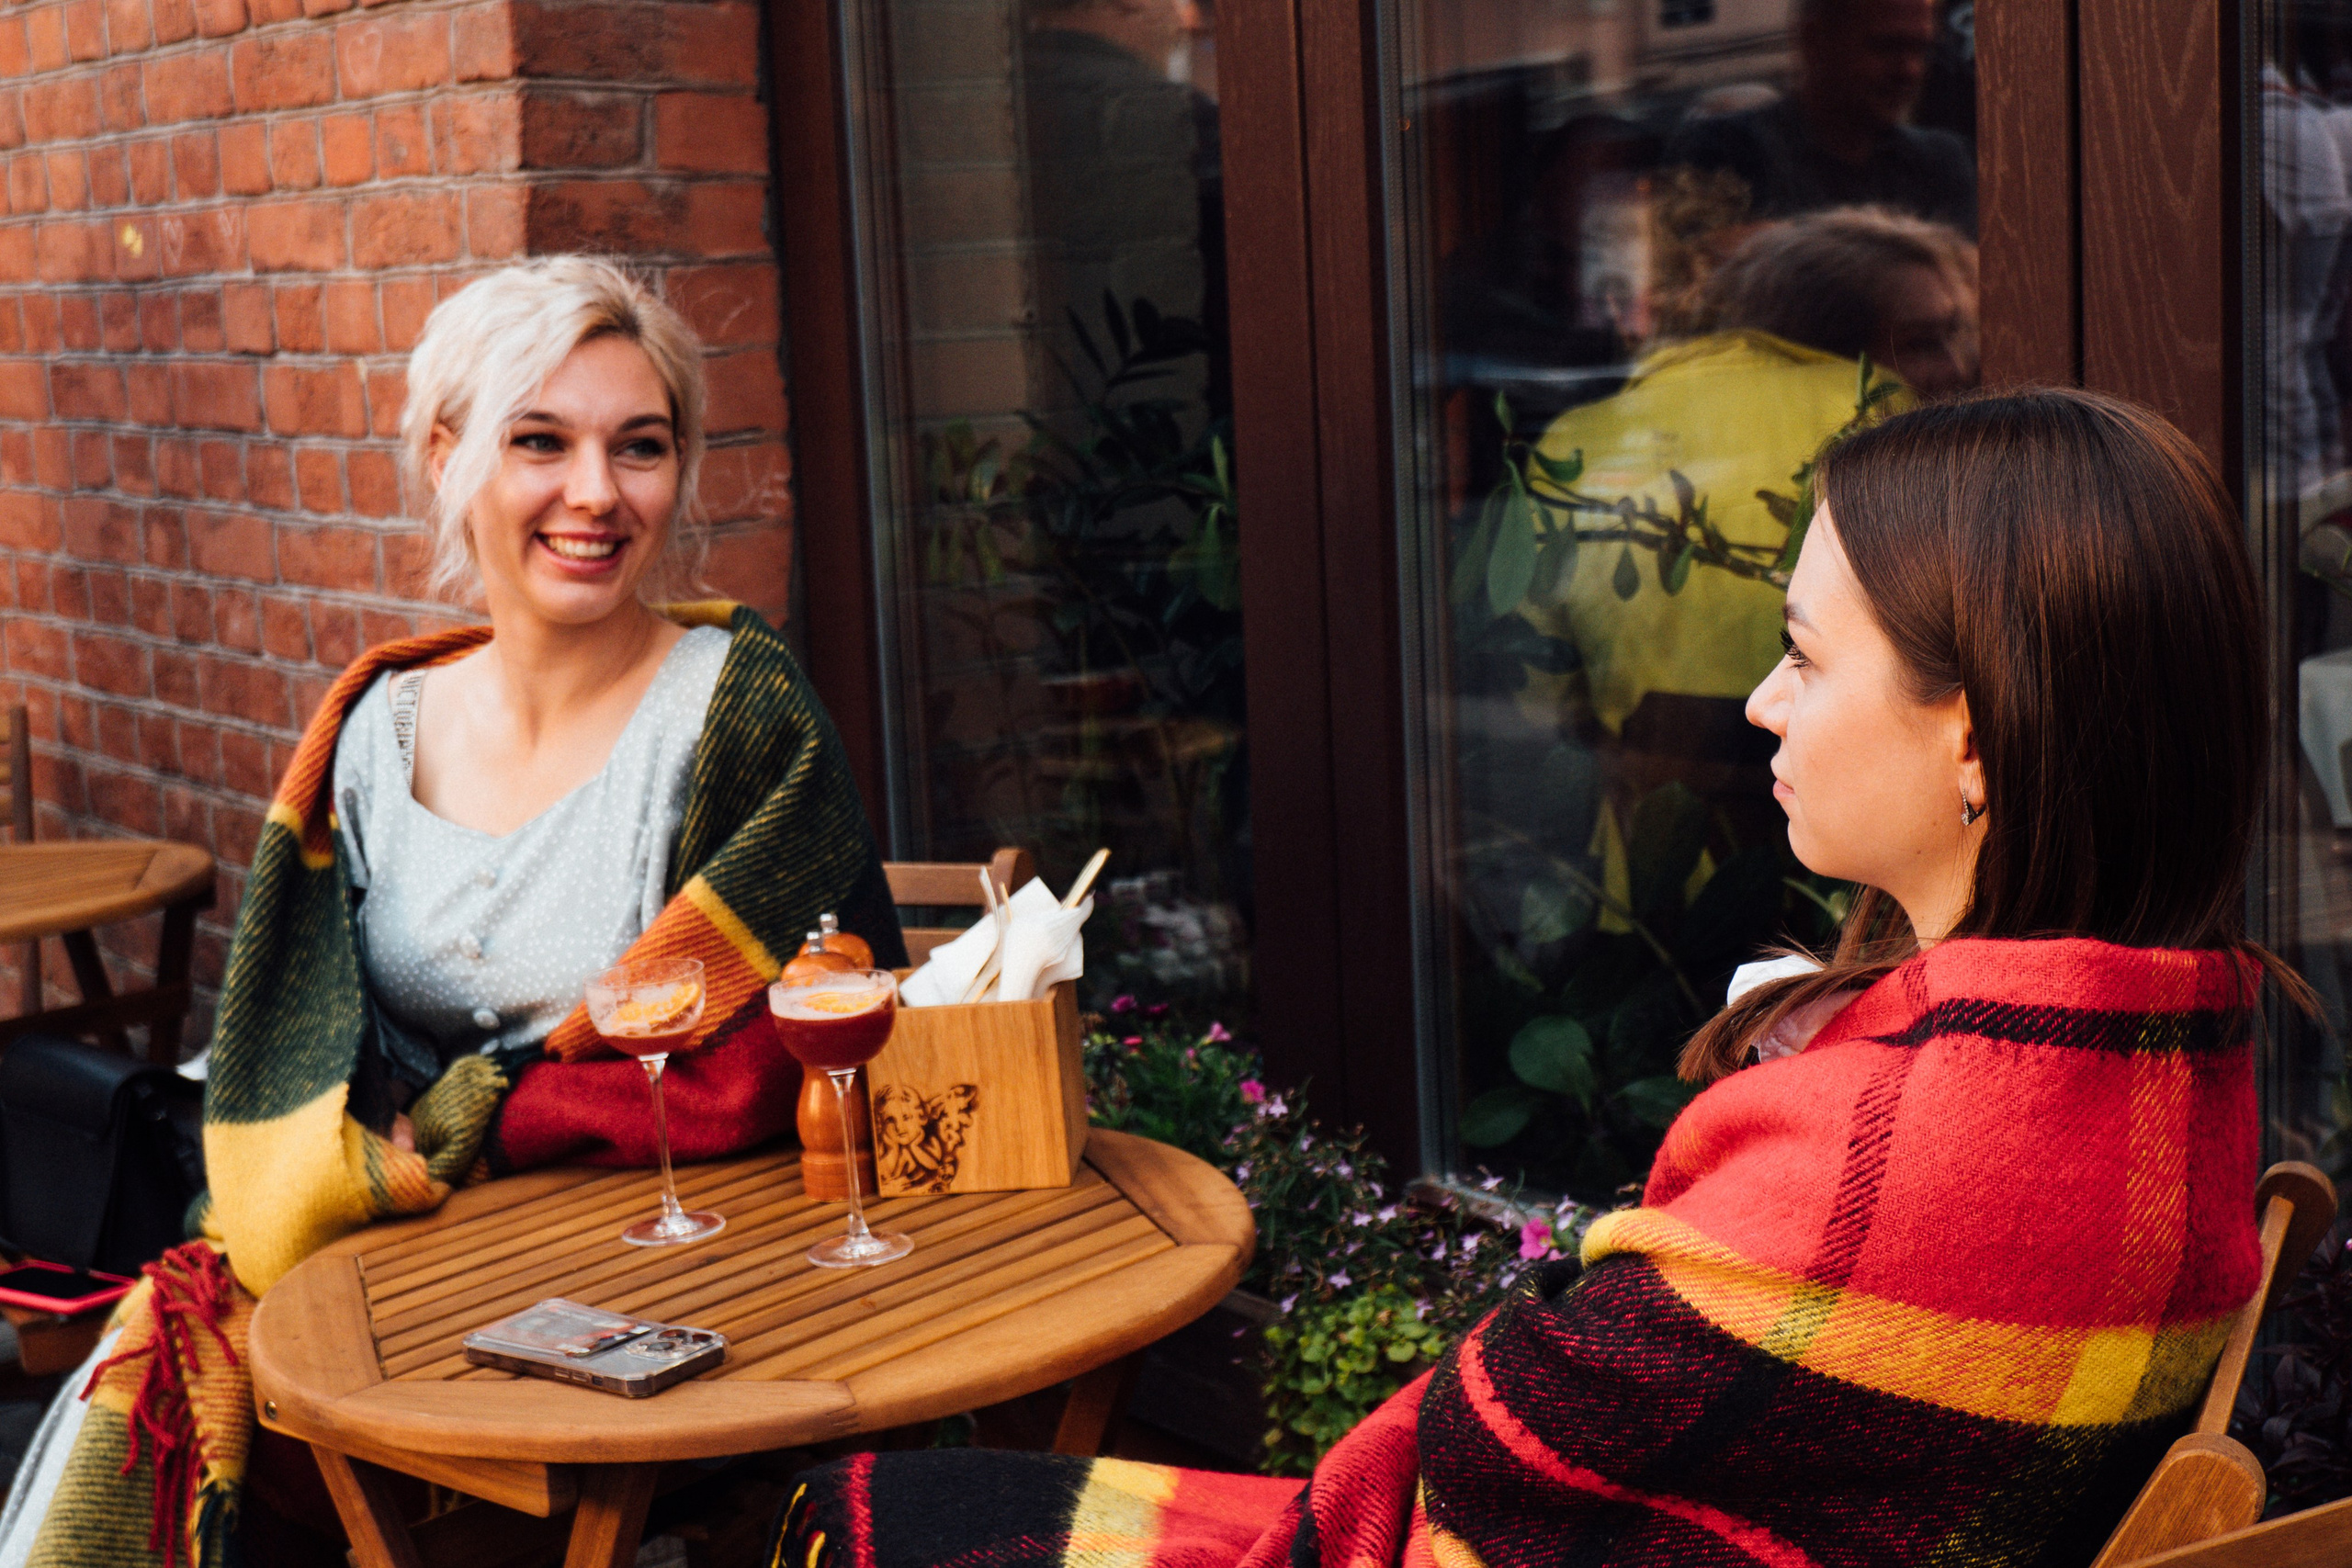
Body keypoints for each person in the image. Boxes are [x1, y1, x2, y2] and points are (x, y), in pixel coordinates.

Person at [773, 389, 2295, 1567]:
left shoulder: (1893, 1151)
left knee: (853, 1511)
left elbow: (1497, 1429)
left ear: (1973, 735)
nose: (1761, 703)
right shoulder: (2176, 1061)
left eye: (1807, 658)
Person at [1, 256, 904, 1568]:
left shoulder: (733, 711)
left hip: (683, 1310)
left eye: (638, 446)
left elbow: (795, 1052)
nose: (595, 492)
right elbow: (312, 1047)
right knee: (208, 1418)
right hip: (405, 1277)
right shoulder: (376, 728)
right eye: (540, 440)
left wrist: (492, 1125)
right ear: (447, 455)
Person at [1664, 0, 1975, 233]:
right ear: (1813, 40)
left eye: (1920, 49)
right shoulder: (1725, 152)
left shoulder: (1939, 162)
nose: (1910, 70)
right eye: (1885, 47)